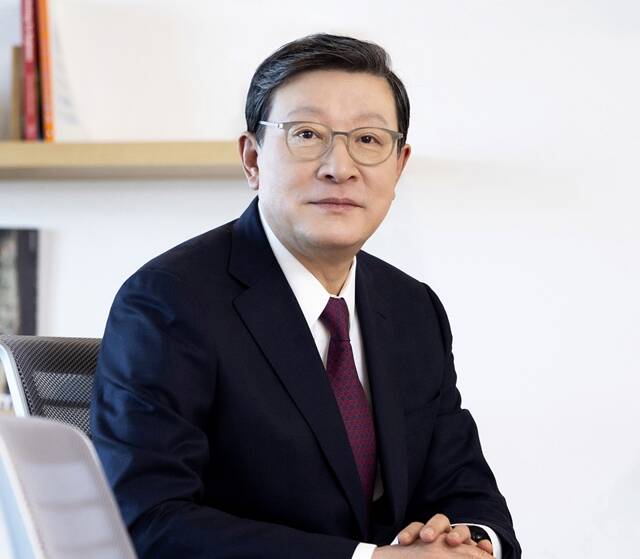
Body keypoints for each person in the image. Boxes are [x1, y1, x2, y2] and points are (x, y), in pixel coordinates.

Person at [91, 34, 521, 559]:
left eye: (368, 139)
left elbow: (465, 486)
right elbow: (148, 520)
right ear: (252, 158)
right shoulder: (168, 302)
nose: (340, 167)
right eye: (307, 135)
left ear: (399, 166)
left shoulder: (413, 309)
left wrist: (470, 543)